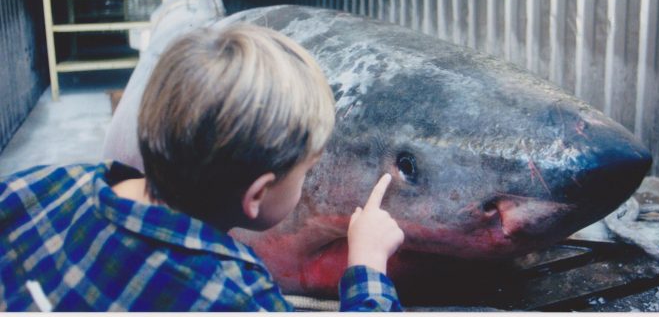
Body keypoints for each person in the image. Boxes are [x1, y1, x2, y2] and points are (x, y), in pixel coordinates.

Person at [0, 24, 404, 311]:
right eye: (305, 172)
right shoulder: (237, 297)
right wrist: (367, 265)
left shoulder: (40, 188)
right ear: (258, 194)